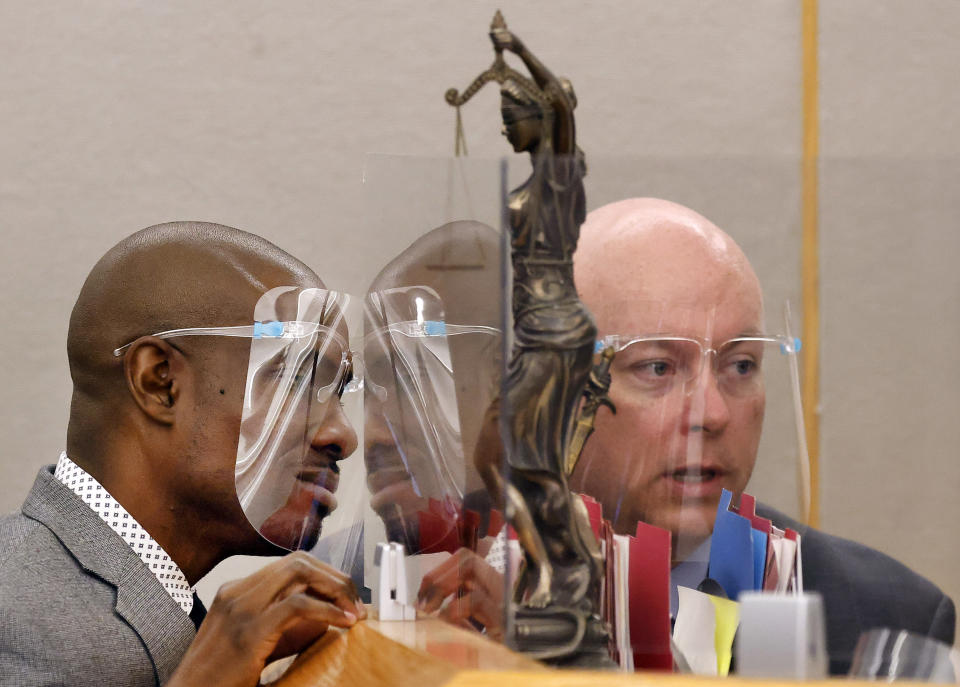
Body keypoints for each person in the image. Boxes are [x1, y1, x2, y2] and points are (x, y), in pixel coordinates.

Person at [419, 197, 955, 675]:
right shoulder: (435, 562)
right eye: (657, 368)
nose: (714, 413)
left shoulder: (887, 618)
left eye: (741, 366)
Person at [0, 222, 366, 686]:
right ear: (160, 383)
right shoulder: (19, 623)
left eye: (339, 390)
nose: (341, 434)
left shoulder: (98, 606)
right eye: (296, 378)